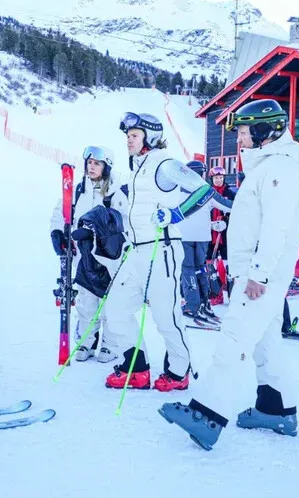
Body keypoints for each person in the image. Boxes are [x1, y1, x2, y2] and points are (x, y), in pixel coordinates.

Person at [158, 99, 299, 450]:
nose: (238, 140)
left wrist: (258, 273)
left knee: (234, 341)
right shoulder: (267, 167)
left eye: (242, 132)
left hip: (261, 275)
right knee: (266, 345)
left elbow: (276, 228)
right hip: (260, 273)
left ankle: (206, 416)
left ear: (262, 131)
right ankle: (277, 410)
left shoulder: (278, 170)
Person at [103, 112, 230, 392]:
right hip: (135, 251)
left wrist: (176, 214)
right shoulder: (138, 167)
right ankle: (135, 368)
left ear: (150, 137)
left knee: (165, 316)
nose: (129, 140)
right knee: (115, 309)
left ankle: (178, 371)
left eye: (134, 135)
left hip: (162, 251)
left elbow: (204, 191)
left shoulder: (165, 164)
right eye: (127, 136)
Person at [50, 145, 122, 363]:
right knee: (85, 300)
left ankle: (111, 345)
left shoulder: (116, 191)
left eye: (97, 163)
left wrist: (94, 232)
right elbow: (60, 212)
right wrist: (57, 232)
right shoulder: (78, 189)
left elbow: (121, 221)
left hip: (108, 256)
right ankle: (86, 341)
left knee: (110, 302)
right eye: (89, 163)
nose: (91, 167)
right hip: (82, 254)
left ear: (106, 166)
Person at [176, 160, 231, 324]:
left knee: (188, 270)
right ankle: (204, 304)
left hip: (185, 237)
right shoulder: (207, 191)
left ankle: (192, 306)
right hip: (203, 237)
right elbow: (227, 205)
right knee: (201, 269)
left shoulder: (177, 190)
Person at [207, 166, 236, 261]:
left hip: (225, 231)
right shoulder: (207, 193)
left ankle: (225, 273)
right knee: (209, 254)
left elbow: (236, 210)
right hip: (210, 230)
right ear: (212, 179)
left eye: (221, 178)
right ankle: (211, 272)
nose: (218, 180)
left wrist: (227, 219)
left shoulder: (230, 193)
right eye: (216, 178)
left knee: (226, 254)